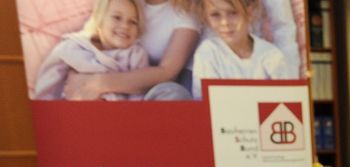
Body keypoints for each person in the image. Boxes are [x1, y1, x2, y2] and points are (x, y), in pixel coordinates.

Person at [63, 0, 199, 100]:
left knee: (174, 94)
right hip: (107, 68)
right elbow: (96, 32)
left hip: (150, 87)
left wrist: (99, 83)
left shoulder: (186, 13)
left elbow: (168, 72)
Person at [32, 0, 149, 101]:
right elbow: (48, 86)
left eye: (133, 21)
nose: (125, 26)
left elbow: (138, 94)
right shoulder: (72, 47)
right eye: (117, 17)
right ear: (99, 18)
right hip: (72, 112)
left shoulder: (136, 55)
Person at [190, 0, 294, 99]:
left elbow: (283, 100)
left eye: (233, 13)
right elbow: (206, 103)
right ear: (206, 17)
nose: (225, 22)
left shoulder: (271, 55)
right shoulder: (208, 53)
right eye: (215, 15)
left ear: (250, 12)